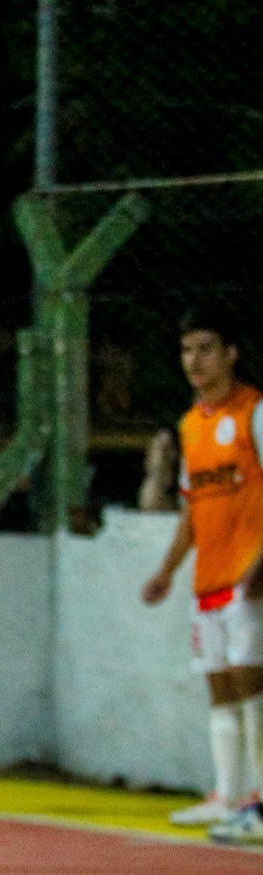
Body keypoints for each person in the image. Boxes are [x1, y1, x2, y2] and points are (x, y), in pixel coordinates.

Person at [142, 308, 263, 839]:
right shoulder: (192, 424)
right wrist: (168, 569)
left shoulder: (254, 412)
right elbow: (193, 506)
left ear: (232, 353)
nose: (195, 360)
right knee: (218, 686)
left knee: (252, 684)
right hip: (209, 579)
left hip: (249, 575)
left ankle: (259, 800)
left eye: (206, 348)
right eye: (187, 350)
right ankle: (229, 793)